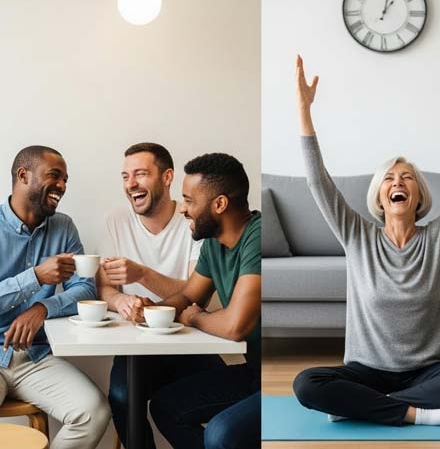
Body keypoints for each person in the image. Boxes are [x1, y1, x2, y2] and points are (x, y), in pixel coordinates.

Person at [291, 55, 440, 427]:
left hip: (431, 373)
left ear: (419, 195)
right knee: (306, 384)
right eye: (390, 179)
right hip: (366, 370)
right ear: (379, 196)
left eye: (407, 178)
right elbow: (317, 182)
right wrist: (303, 110)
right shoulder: (356, 235)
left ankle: (362, 406)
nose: (398, 183)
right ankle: (422, 415)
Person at [129, 153, 261, 449]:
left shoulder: (257, 237)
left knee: (220, 434)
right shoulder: (215, 243)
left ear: (219, 204)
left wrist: (194, 318)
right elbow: (190, 295)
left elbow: (236, 326)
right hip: (253, 373)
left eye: (189, 201)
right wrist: (153, 312)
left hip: (276, 378)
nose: (183, 210)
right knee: (166, 407)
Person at [97, 143, 224, 449]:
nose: (131, 184)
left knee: (231, 406)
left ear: (167, 177)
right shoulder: (116, 220)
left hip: (191, 341)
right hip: (134, 346)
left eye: (141, 173)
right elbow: (104, 288)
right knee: (122, 398)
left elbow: (198, 295)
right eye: (126, 176)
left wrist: (142, 275)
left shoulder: (194, 218)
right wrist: (122, 302)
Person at [0, 146, 110, 449]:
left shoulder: (63, 227)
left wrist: (42, 308)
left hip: (34, 357)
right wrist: (35, 277)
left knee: (94, 411)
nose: (62, 186)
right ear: (24, 175)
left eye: (65, 179)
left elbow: (86, 288)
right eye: (54, 176)